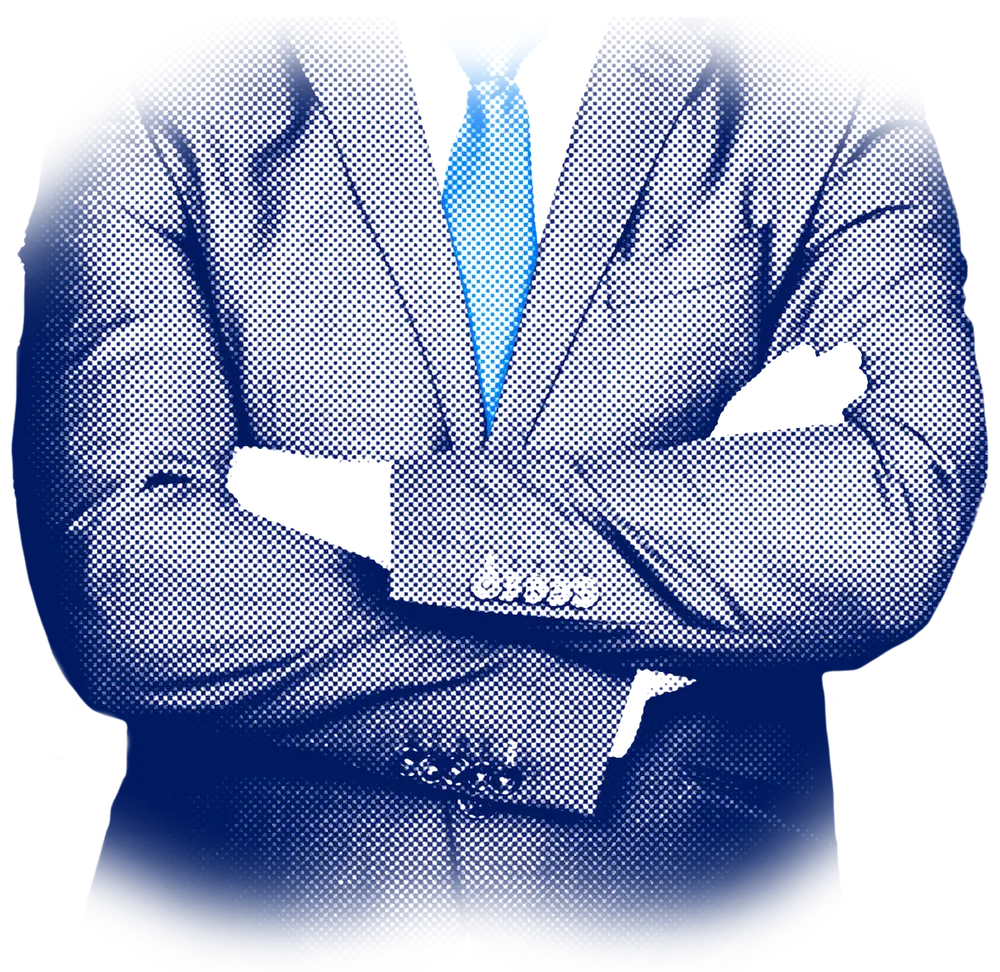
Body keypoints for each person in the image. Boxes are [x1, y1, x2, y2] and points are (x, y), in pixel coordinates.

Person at [10, 14, 990, 972]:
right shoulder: (156, 116)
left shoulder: (835, 113)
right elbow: (127, 587)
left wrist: (384, 514)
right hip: (255, 917)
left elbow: (884, 528)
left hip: (701, 912)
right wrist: (570, 701)